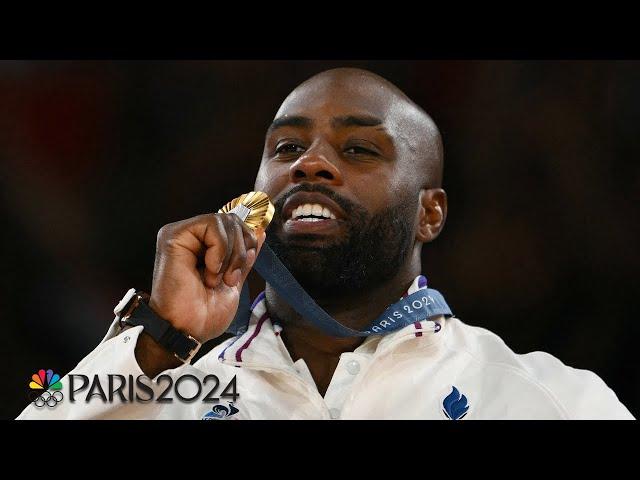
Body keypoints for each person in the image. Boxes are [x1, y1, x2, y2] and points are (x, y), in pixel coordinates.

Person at [17, 68, 633, 420]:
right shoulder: (166, 391)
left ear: (431, 213)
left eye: (360, 149)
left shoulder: (550, 401)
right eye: (286, 149)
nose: (310, 164)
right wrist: (158, 342)